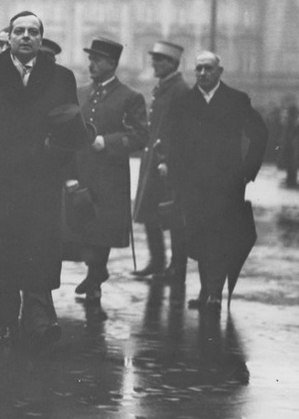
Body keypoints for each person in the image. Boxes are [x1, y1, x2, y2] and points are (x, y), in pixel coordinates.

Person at [0, 11, 80, 345]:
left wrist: (59, 159)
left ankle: (40, 319)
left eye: (33, 32)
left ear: (41, 39)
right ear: (8, 37)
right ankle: (4, 319)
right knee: (1, 250)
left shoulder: (60, 77)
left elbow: (73, 129)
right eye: (19, 31)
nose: (26, 37)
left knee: (39, 248)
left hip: (41, 179)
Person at [166, 51, 268, 312]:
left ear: (219, 71)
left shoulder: (236, 100)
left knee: (221, 238)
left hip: (228, 184)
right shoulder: (185, 102)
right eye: (198, 69)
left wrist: (247, 171)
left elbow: (259, 134)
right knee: (199, 238)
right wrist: (177, 174)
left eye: (208, 68)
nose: (202, 73)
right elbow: (173, 141)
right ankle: (205, 291)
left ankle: (214, 294)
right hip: (193, 185)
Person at [68, 38, 148, 305]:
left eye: (97, 60)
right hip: (81, 169)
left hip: (110, 175)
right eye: (90, 59)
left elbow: (139, 136)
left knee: (101, 229)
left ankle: (94, 281)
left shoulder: (130, 97)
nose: (91, 64)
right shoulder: (79, 93)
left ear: (112, 64)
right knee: (81, 223)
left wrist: (108, 142)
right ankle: (96, 271)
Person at [132, 41, 191, 282]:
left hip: (168, 165)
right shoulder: (165, 87)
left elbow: (183, 132)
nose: (154, 64)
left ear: (171, 64)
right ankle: (157, 262)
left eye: (159, 60)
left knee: (173, 216)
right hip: (154, 161)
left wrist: (169, 160)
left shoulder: (180, 90)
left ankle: (177, 268)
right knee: (150, 212)